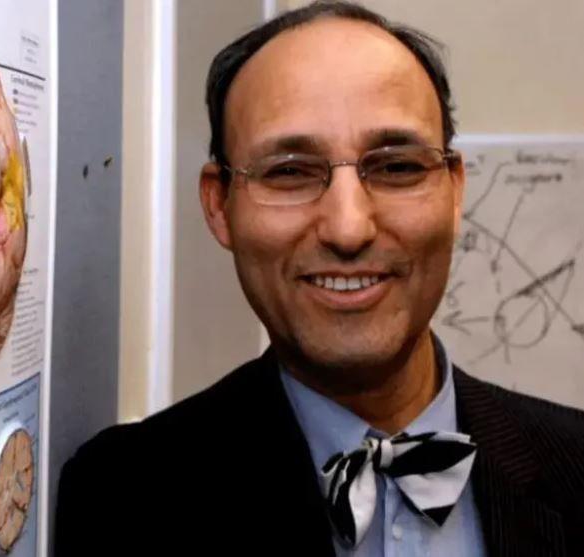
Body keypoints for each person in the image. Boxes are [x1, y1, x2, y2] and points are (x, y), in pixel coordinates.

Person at [53, 2, 584, 555]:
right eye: (289, 172)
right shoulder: (122, 497)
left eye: (397, 166)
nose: (349, 228)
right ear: (219, 206)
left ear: (454, 191)